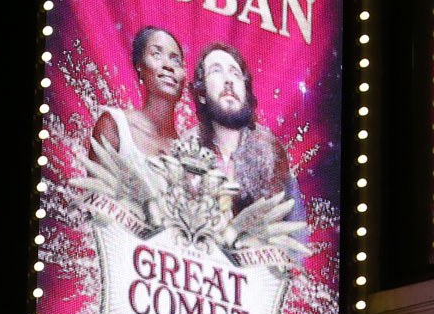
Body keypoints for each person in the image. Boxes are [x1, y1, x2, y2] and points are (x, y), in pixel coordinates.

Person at [190, 42, 296, 211]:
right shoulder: (189, 148)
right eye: (216, 71)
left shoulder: (270, 151)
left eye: (236, 74)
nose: (228, 80)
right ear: (201, 93)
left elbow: (296, 228)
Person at [91, 26, 187, 167]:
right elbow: (94, 187)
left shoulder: (187, 151)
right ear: (139, 66)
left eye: (176, 61)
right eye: (156, 54)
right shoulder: (115, 125)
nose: (168, 65)